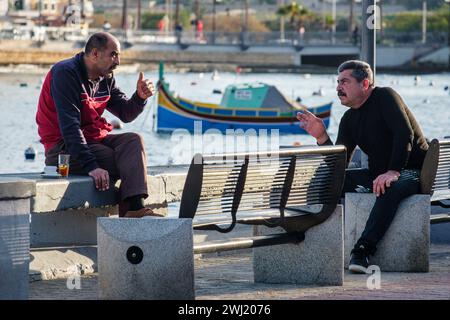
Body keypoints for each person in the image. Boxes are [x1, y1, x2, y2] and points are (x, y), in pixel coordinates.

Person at [297, 60, 429, 274]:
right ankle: (313, 244)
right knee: (326, 183)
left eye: (345, 82)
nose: (339, 87)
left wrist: (394, 171)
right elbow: (339, 163)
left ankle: (362, 251)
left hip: (412, 172)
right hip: (378, 175)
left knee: (388, 187)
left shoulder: (385, 96)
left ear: (365, 84)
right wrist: (321, 137)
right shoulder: (349, 119)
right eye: (338, 82)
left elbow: (404, 133)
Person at [36, 32, 160, 218]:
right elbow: (70, 128)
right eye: (113, 54)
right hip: (62, 149)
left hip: (93, 140)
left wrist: (139, 98)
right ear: (95, 54)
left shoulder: (105, 77)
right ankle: (133, 212)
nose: (118, 61)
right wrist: (92, 167)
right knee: (125, 161)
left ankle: (135, 209)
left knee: (133, 141)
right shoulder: (65, 74)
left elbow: (125, 114)